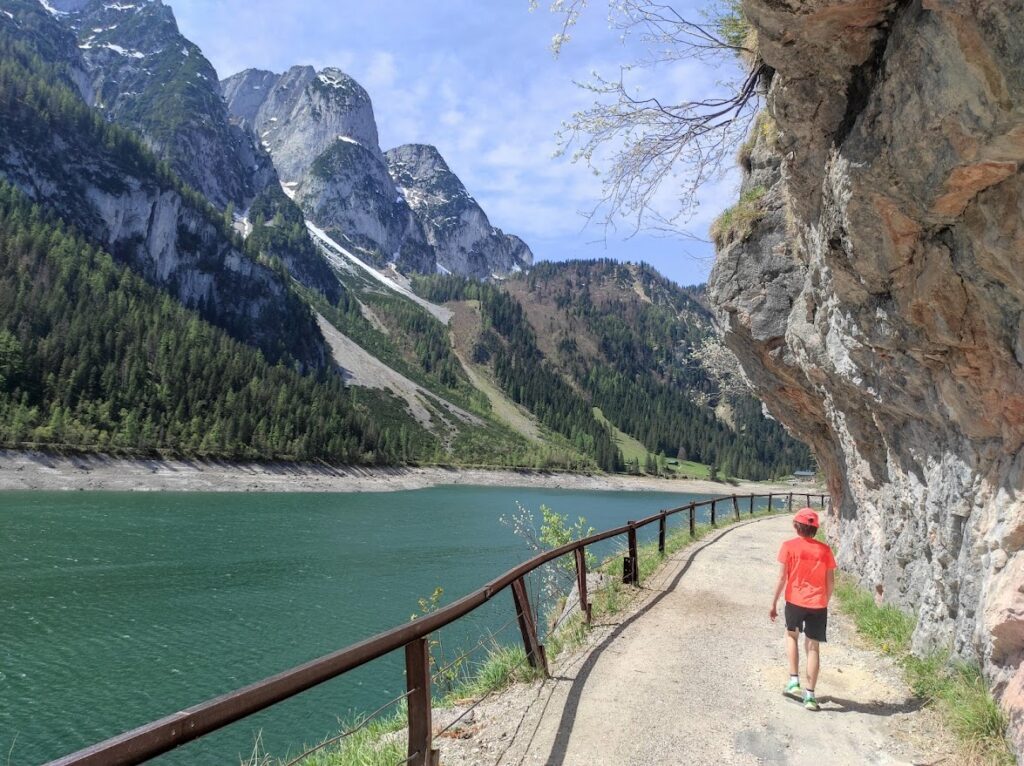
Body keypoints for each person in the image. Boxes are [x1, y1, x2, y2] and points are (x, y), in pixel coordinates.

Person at [769, 507, 837, 711]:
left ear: (796, 526)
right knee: (813, 646)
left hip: (795, 600)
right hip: (818, 603)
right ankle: (810, 696)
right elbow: (831, 581)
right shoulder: (825, 550)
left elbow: (782, 578)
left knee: (792, 636)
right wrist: (825, 600)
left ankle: (793, 681)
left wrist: (773, 603)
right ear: (815, 529)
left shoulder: (788, 546)